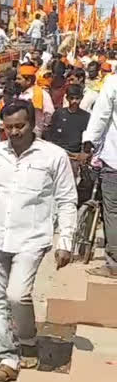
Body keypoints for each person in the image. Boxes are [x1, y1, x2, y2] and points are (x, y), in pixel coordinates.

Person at [0, 101, 77, 382]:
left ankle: (27, 339)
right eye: (8, 127)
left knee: (16, 295)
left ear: (33, 123)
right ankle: (8, 358)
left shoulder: (53, 156)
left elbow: (67, 199)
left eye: (19, 126)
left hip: (32, 238)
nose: (13, 132)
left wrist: (66, 241)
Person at [82, 73, 117, 278]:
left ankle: (113, 264)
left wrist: (88, 145)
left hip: (114, 161)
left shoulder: (113, 82)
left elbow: (101, 116)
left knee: (113, 212)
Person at [45, 85, 90, 160]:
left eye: (77, 98)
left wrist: (83, 154)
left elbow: (87, 137)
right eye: (71, 98)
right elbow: (50, 132)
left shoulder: (86, 116)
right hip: (57, 151)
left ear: (81, 98)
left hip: (74, 154)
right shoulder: (59, 113)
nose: (74, 101)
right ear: (67, 98)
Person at [17, 64, 54, 136]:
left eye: (19, 79)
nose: (16, 81)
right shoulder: (21, 94)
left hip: (35, 133)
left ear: (28, 80)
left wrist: (42, 127)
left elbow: (49, 113)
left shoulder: (41, 94)